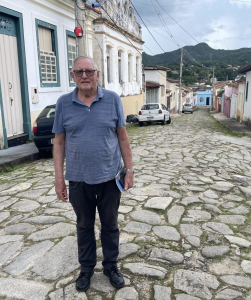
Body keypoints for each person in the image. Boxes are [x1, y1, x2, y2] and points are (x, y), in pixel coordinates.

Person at [53, 56, 134, 292]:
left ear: (98, 74)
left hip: (110, 177)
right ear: (72, 76)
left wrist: (129, 170)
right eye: (79, 72)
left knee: (110, 224)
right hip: (78, 179)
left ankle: (111, 266)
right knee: (84, 225)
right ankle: (86, 269)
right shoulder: (63, 103)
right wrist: (60, 178)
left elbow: (122, 137)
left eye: (89, 71)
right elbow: (58, 142)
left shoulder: (112, 100)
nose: (84, 76)